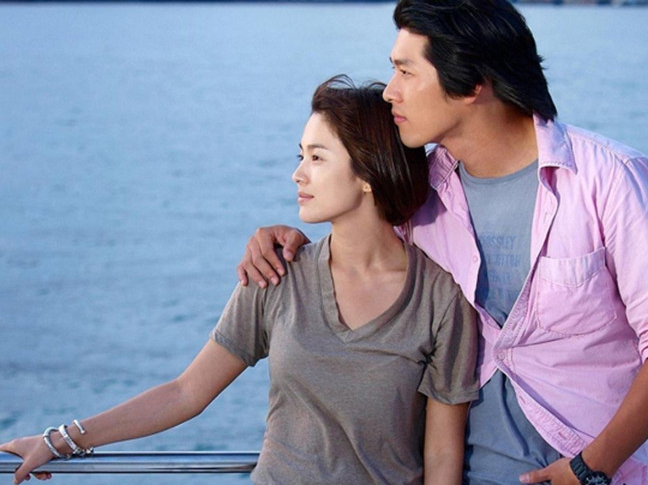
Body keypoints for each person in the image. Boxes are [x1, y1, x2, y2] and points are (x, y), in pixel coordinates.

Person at [235, 0, 648, 484]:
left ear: (472, 83)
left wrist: (592, 467)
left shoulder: (610, 180)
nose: (390, 91)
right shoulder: (420, 195)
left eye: (406, 71)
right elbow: (363, 257)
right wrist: (285, 243)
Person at [0, 75, 480, 485]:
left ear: (368, 172)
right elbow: (185, 393)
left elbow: (442, 456)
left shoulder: (441, 300)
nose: (297, 175)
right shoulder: (276, 274)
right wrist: (60, 440)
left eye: (317, 158)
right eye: (300, 156)